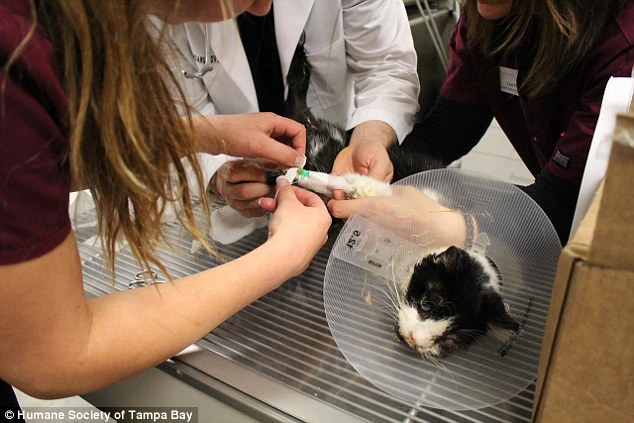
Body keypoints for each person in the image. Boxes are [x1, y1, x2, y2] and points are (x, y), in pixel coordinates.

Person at [0, 0, 331, 410]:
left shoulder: (46, 28)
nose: (263, 9)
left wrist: (193, 134)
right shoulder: (12, 51)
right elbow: (51, 354)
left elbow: (43, 159)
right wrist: (284, 255)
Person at [329, 0, 634, 244]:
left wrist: (459, 226)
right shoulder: (488, 15)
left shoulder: (620, 46)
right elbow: (451, 127)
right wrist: (381, 170)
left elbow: (563, 201)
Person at [163, 0, 420, 217]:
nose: (264, 8)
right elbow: (172, 119)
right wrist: (216, 172)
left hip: (338, 145)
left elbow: (387, 67)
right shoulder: (144, 17)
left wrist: (371, 137)